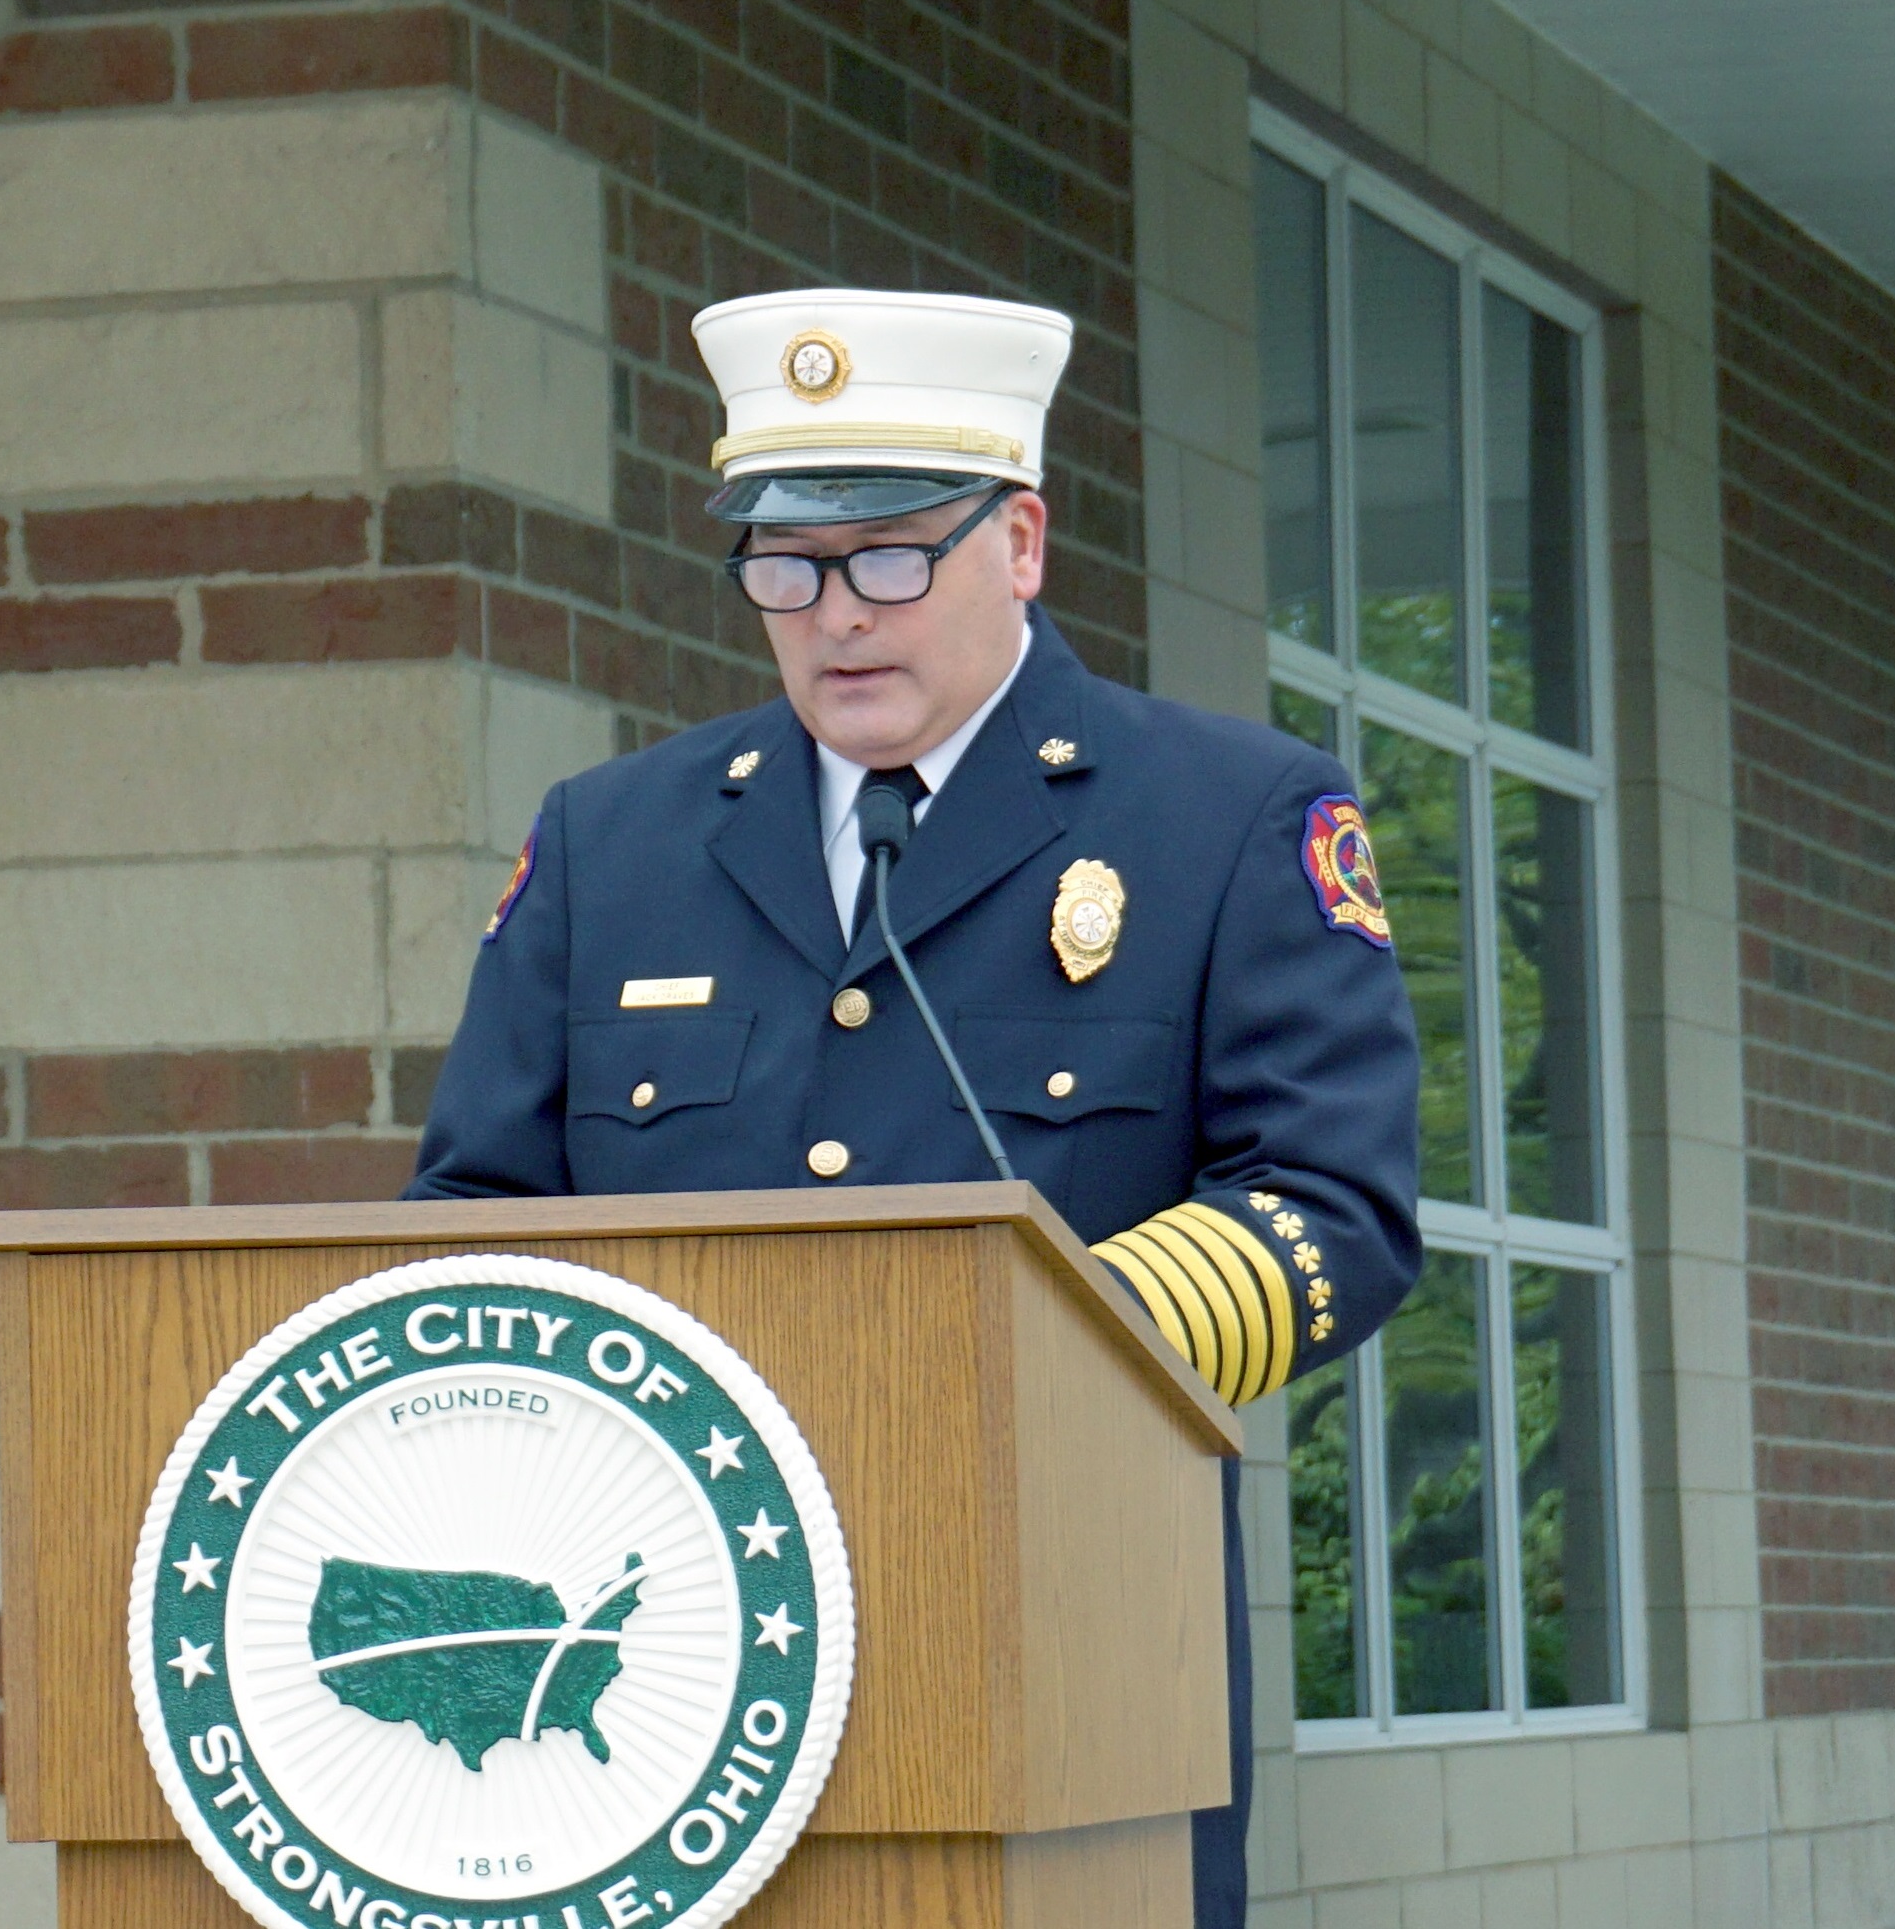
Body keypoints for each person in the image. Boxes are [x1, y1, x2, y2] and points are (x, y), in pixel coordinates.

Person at [410, 285, 1423, 1929]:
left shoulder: (1228, 817)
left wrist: (1025, 1364)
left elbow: (1332, 1206)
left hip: (1053, 1638)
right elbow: (467, 1217)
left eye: (890, 555)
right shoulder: (611, 839)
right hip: (645, 1672)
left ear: (1019, 542)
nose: (833, 616)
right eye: (782, 565)